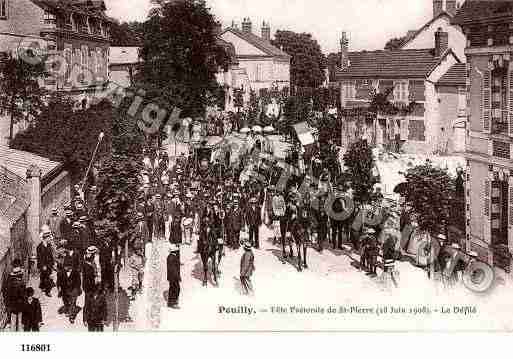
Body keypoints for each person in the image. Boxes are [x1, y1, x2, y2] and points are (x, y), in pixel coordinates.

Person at [1, 259, 26, 331]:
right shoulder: (20, 283)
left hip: (12, 304)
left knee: (13, 321)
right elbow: (23, 294)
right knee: (19, 321)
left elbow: (6, 292)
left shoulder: (9, 280)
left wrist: (8, 303)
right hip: (19, 303)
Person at [37, 227, 55, 297]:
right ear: (45, 238)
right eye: (49, 238)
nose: (50, 239)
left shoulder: (49, 245)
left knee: (48, 276)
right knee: (45, 276)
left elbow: (50, 255)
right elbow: (40, 258)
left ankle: (46, 288)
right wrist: (42, 266)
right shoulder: (39, 247)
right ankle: (47, 291)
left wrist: (52, 263)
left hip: (49, 264)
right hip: (43, 265)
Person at [166, 244, 181, 309]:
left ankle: (171, 302)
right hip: (173, 277)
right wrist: (178, 276)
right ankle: (173, 302)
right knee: (175, 289)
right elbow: (173, 269)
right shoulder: (172, 258)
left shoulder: (170, 257)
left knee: (173, 288)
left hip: (172, 276)